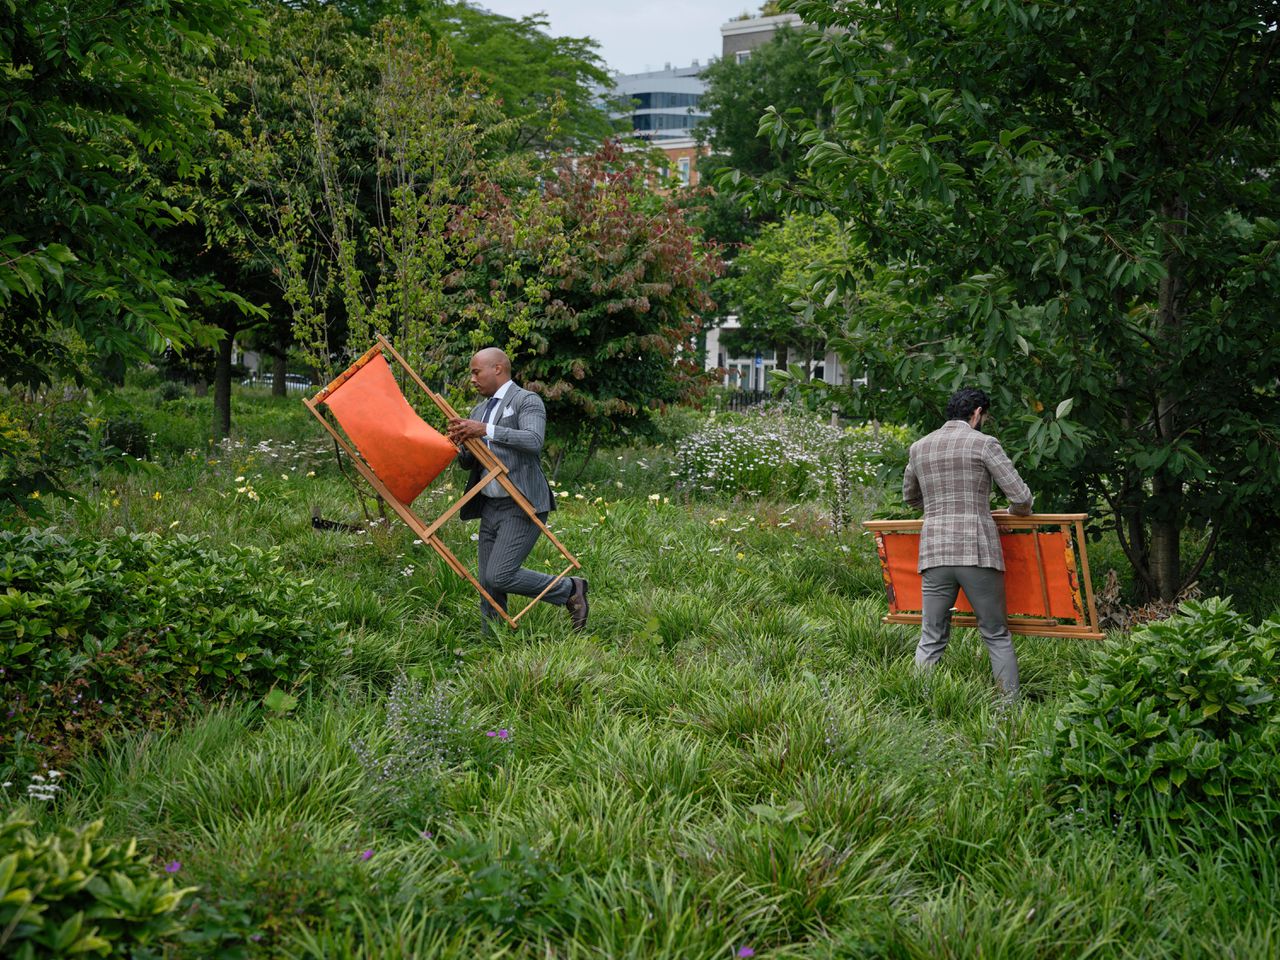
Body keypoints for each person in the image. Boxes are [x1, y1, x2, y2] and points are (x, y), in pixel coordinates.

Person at [902, 387, 1033, 698]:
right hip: (976, 551)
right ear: (976, 413)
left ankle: (917, 706)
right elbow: (1021, 497)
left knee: (931, 636)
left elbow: (910, 498)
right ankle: (1009, 710)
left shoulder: (920, 447)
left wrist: (937, 508)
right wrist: (1013, 512)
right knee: (995, 633)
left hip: (934, 553)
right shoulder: (984, 444)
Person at [447, 348, 589, 630]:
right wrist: (455, 446)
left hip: (522, 502)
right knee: (487, 581)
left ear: (497, 369)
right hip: (490, 504)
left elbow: (533, 440)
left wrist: (485, 430)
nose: (472, 379)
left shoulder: (527, 400)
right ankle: (492, 642)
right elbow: (471, 462)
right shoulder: (478, 411)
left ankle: (570, 590)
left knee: (499, 575)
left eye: (476, 372)